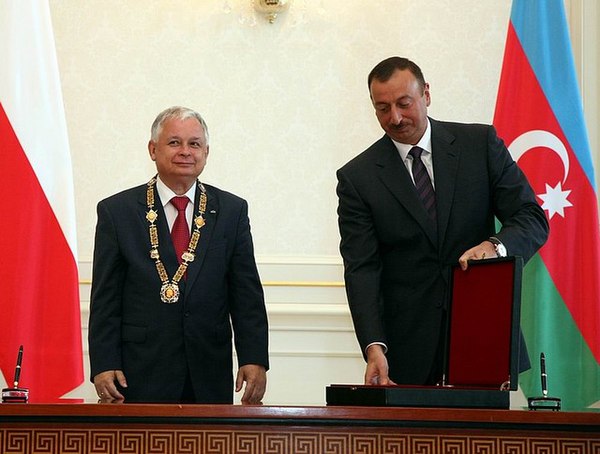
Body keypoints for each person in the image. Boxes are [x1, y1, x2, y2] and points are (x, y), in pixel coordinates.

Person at [336, 57, 549, 387]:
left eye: (404, 104)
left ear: (426, 95)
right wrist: (373, 346)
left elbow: (531, 217)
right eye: (382, 108)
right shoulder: (358, 178)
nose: (395, 117)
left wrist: (495, 247)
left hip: (482, 335)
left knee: (485, 439)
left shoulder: (480, 145)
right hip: (405, 349)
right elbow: (362, 268)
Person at [88, 106, 269, 404]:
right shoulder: (117, 212)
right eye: (174, 142)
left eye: (194, 144)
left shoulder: (231, 211)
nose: (185, 151)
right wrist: (104, 363)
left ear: (206, 152)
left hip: (209, 368)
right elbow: (106, 298)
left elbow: (246, 293)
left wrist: (254, 358)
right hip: (139, 370)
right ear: (152, 149)